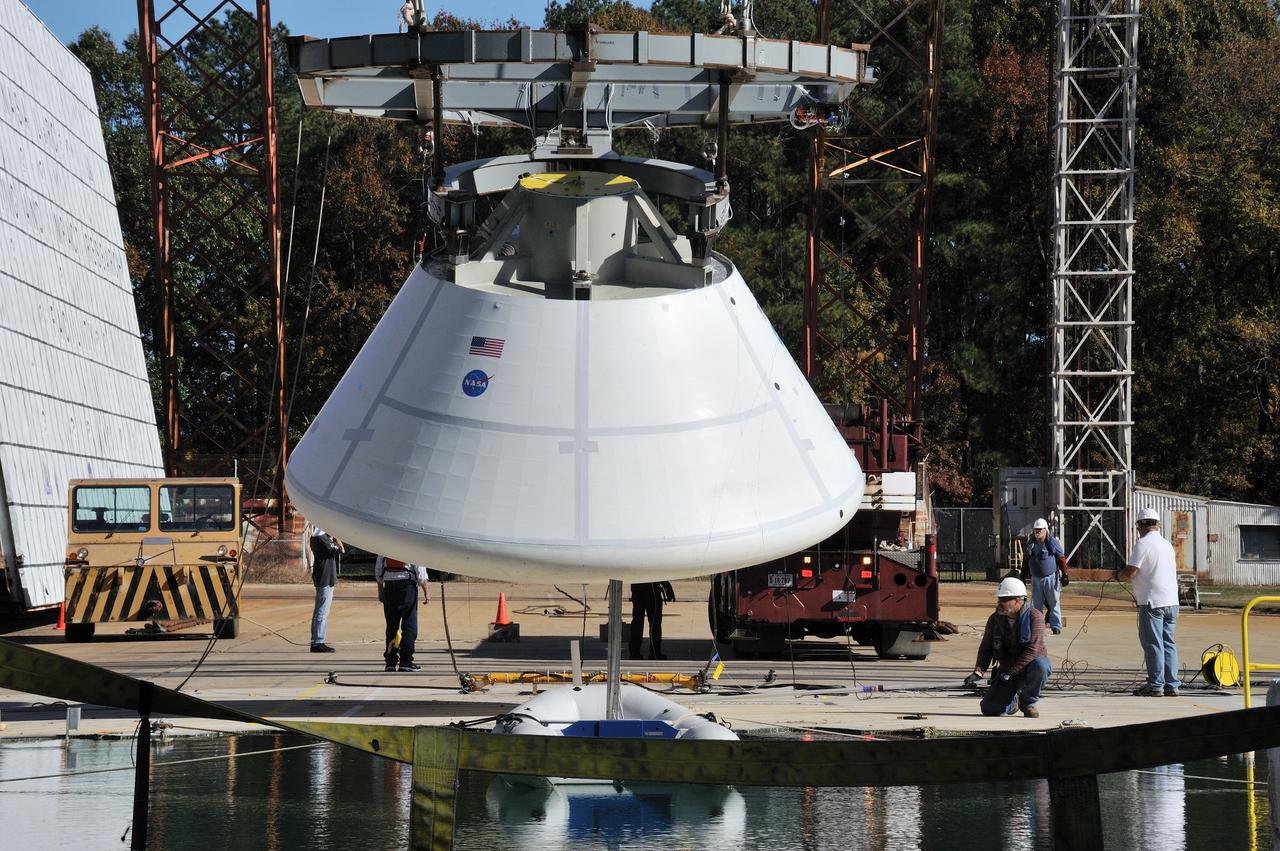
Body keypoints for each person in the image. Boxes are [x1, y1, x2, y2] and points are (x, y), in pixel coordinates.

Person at [964, 576, 1051, 718]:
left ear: (1017, 601)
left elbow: (1033, 650)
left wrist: (1011, 673)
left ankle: (1028, 702)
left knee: (1042, 665)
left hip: (1028, 667)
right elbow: (986, 647)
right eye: (999, 599)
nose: (999, 603)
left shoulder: (1036, 617)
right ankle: (1013, 701)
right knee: (989, 709)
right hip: (1006, 671)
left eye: (1003, 600)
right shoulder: (994, 619)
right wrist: (978, 672)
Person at [1117, 507, 1181, 696]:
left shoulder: (1143, 544)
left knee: (1153, 644)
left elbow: (1131, 572)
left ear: (1141, 525)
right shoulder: (1167, 544)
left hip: (1152, 601)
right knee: (1168, 643)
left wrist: (1117, 575)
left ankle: (1155, 685)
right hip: (1171, 601)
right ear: (1156, 524)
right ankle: (1172, 685)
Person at [375, 555, 431, 672]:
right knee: (409, 627)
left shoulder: (383, 545)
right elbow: (420, 571)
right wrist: (426, 592)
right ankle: (406, 661)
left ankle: (390, 662)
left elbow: (378, 571)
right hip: (407, 587)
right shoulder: (410, 544)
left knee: (392, 627)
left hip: (389, 588)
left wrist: (380, 592)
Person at [1024, 518, 1065, 634]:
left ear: (1045, 530)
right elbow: (1026, 559)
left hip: (1050, 578)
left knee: (1053, 602)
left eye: (1040, 529)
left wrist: (1065, 574)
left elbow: (1061, 558)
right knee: (1036, 604)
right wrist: (1023, 573)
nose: (1037, 532)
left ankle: (1056, 626)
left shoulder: (1052, 542)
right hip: (1036, 578)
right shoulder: (1031, 543)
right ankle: (1037, 626)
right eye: (1035, 529)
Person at [307, 525, 343, 653]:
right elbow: (341, 549)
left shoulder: (315, 539)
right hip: (325, 577)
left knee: (319, 610)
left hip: (321, 575)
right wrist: (336, 536)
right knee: (322, 611)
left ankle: (316, 640)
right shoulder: (323, 539)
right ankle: (318, 641)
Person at [628, 581, 675, 661]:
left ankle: (634, 652)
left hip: (637, 587)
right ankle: (654, 653)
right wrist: (667, 586)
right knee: (654, 623)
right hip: (651, 589)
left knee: (637, 621)